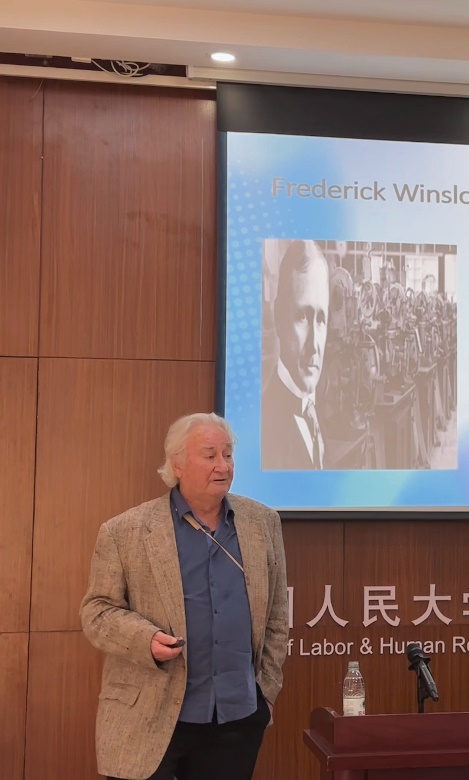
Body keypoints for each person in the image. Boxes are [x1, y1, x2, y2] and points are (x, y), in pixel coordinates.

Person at [81, 413, 288, 780]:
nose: (223, 466)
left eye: (228, 454)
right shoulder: (126, 530)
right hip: (148, 715)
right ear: (177, 464)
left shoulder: (262, 523)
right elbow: (97, 611)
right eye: (210, 455)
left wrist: (265, 692)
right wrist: (145, 640)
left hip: (235, 719)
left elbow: (276, 614)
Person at [262, 239, 330, 470]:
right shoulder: (266, 427)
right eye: (302, 317)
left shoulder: (316, 410)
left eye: (321, 319)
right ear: (279, 318)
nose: (314, 344)